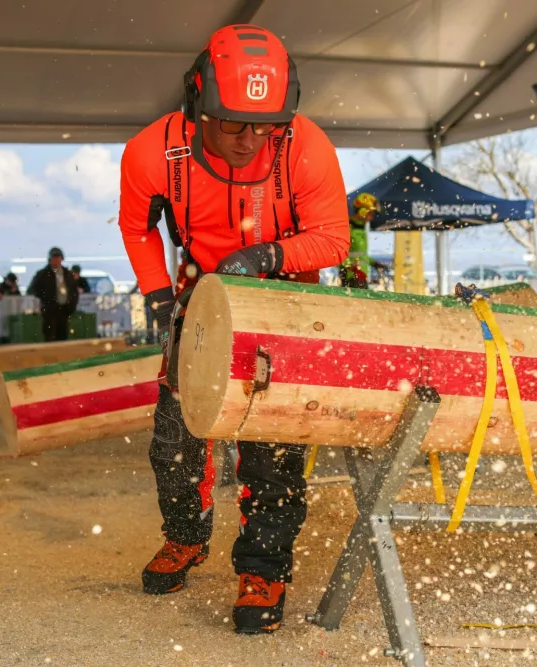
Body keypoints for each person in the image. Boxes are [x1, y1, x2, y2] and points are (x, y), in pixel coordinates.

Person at [118, 24, 349, 635]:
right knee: (175, 440)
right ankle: (186, 537)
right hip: (197, 293)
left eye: (265, 126)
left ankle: (263, 568)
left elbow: (332, 238)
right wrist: (159, 294)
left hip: (284, 298)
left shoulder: (305, 147)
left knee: (270, 449)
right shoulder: (152, 152)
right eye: (233, 125)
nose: (250, 141)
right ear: (199, 104)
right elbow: (138, 226)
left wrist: (267, 258)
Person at [26, 247, 79, 342]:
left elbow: (74, 291)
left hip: (64, 309)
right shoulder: (42, 274)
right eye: (54, 258)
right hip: (49, 310)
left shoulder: (67, 274)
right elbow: (32, 289)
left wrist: (72, 305)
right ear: (50, 259)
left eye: (58, 258)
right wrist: (45, 298)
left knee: (62, 335)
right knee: (49, 335)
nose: (56, 260)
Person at [340, 192, 382, 289]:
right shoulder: (347, 227)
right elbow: (338, 252)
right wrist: (350, 266)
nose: (372, 217)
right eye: (371, 213)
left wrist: (373, 263)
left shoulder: (361, 229)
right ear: (362, 211)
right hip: (351, 277)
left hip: (361, 276)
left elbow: (360, 254)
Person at [0, 273, 22, 344]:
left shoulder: (15, 288)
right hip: (2, 311)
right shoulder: (1, 287)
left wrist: (14, 291)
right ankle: (2, 339)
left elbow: (19, 297)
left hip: (12, 311)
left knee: (10, 326)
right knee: (3, 325)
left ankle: (7, 339)